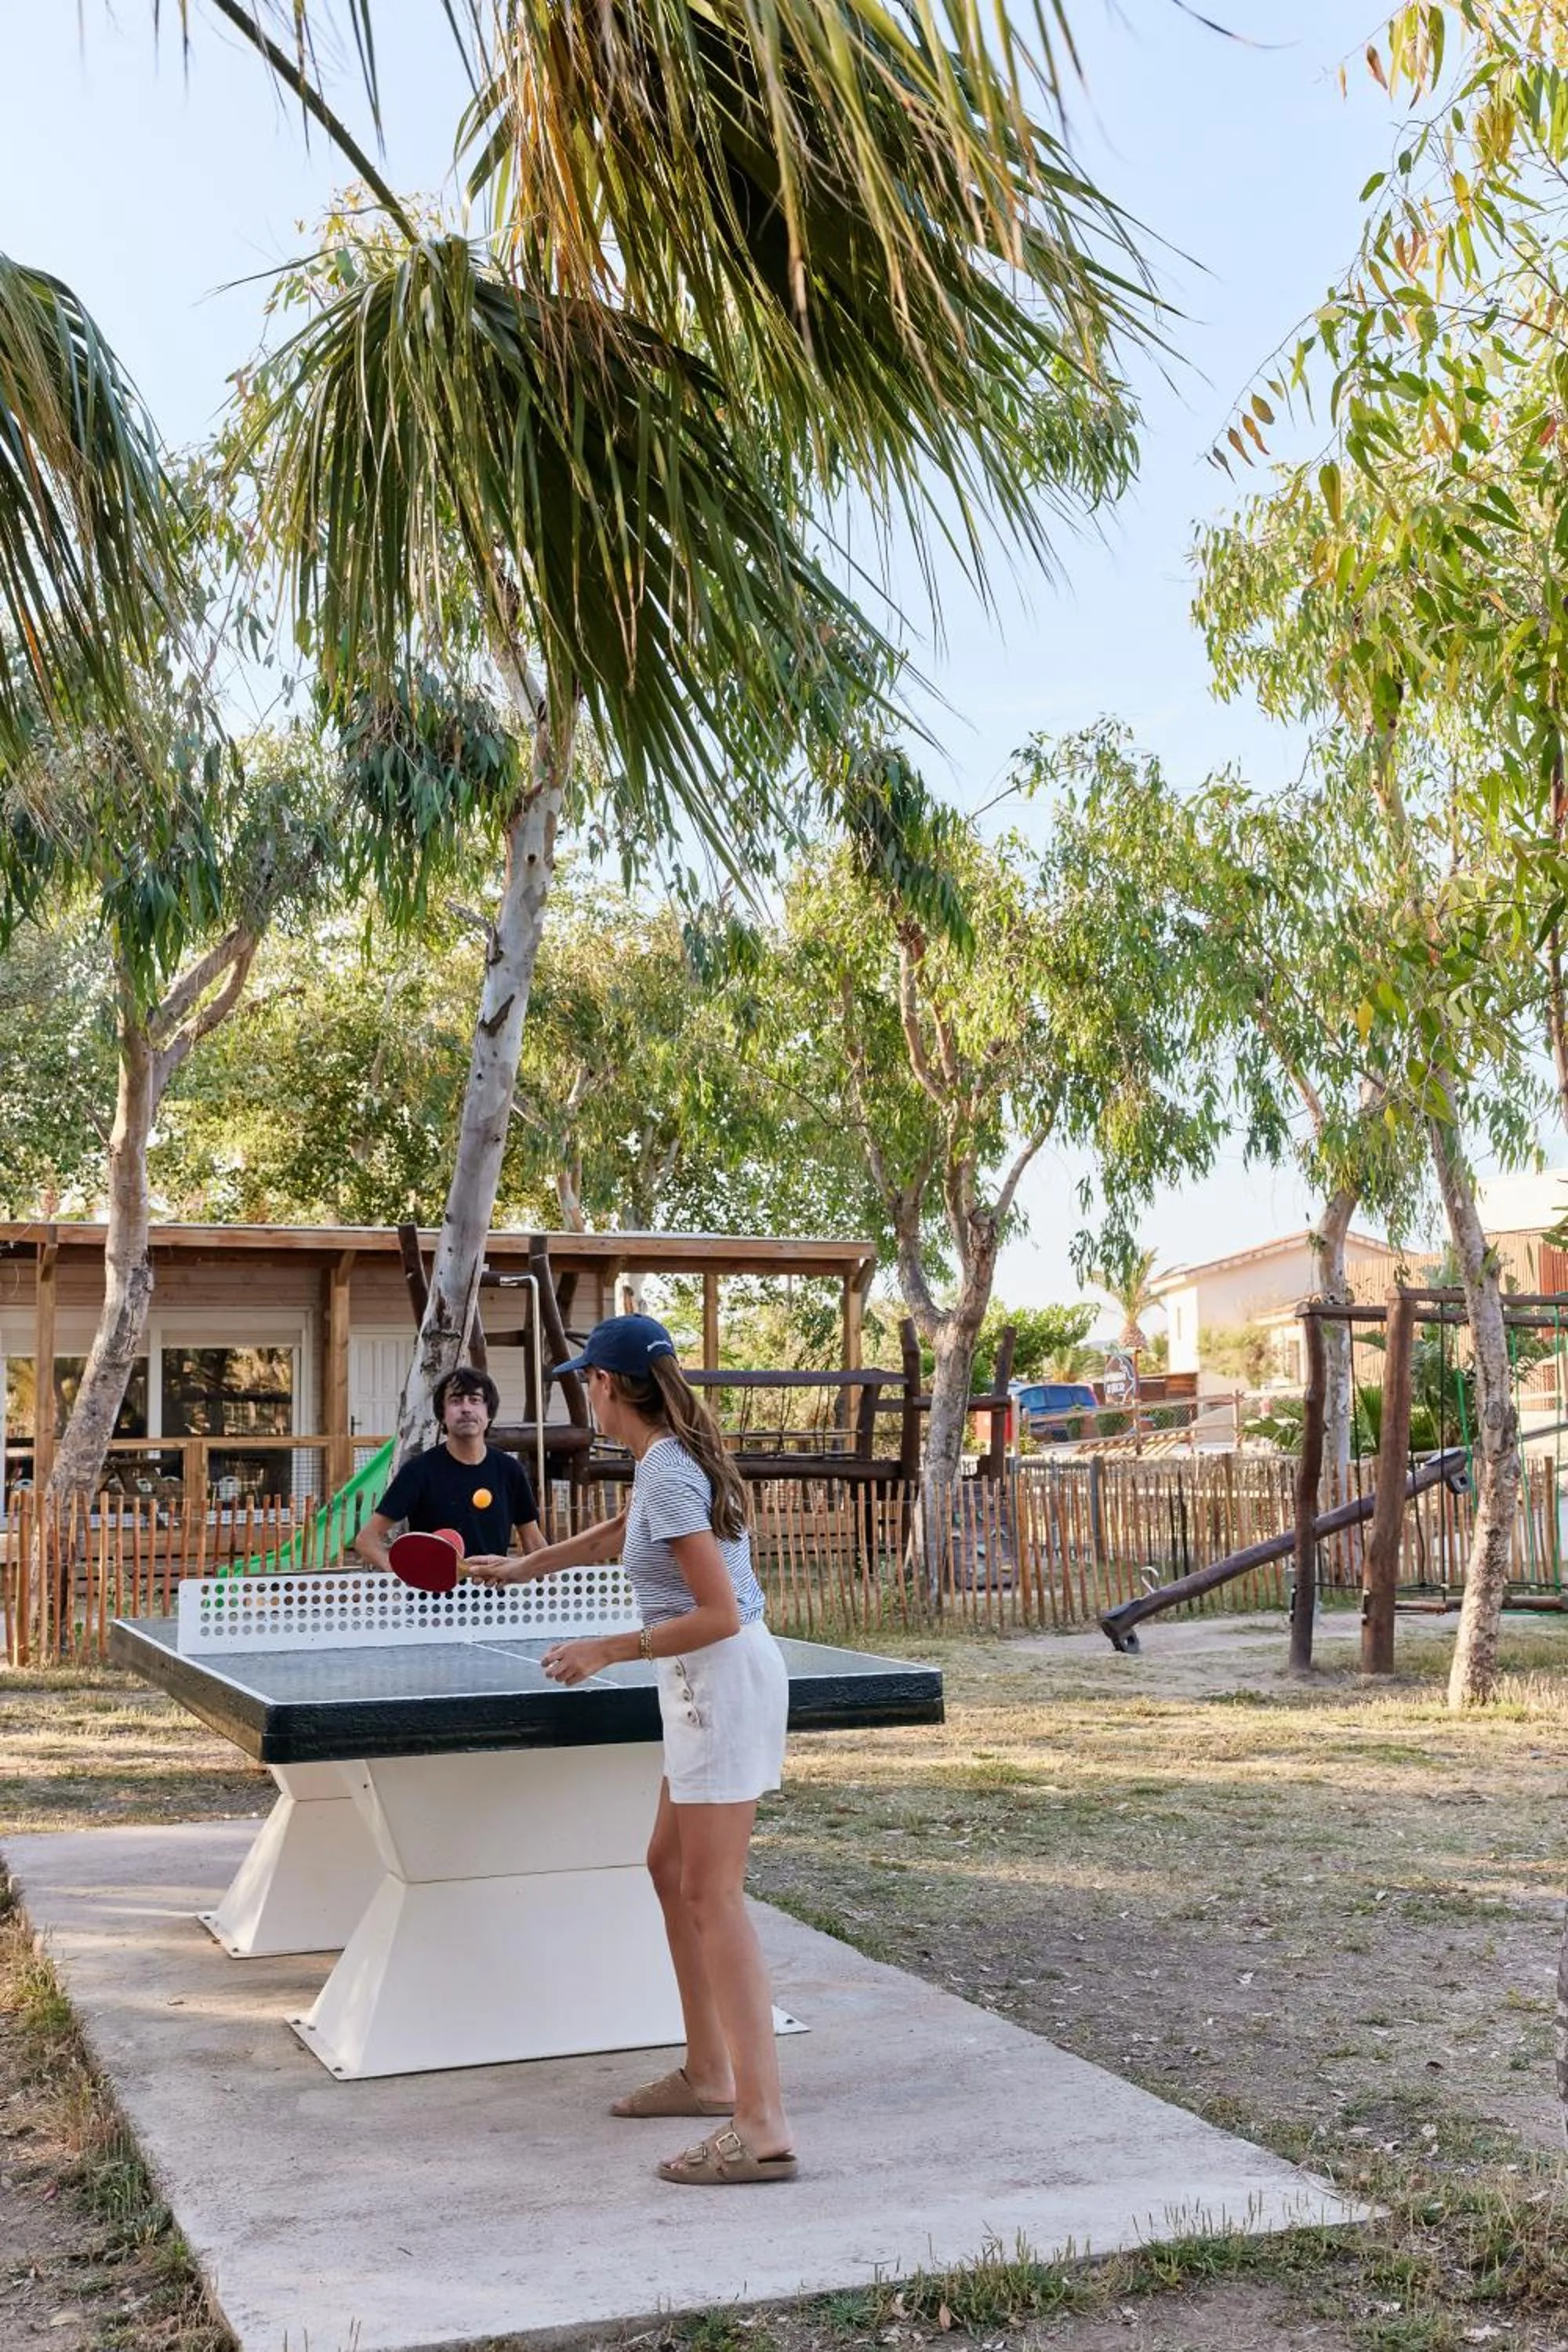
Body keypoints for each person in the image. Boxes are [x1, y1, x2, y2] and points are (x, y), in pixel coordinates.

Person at [468, 1312, 795, 2187]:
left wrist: (605, 1649)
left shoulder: (672, 1477)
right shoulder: (662, 1468)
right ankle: (706, 2073)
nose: (586, 1396)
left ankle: (759, 2123)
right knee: (667, 1868)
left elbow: (720, 1613)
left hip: (721, 1682)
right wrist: (521, 1568)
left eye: (587, 1383)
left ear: (605, 1387)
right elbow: (620, 1535)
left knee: (713, 1895)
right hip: (703, 1687)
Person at [352, 1365, 548, 1577]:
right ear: (442, 1415)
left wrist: (550, 1590)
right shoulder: (418, 1472)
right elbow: (367, 1540)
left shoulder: (510, 1470)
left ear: (489, 1413)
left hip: (493, 1600)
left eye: (475, 1400)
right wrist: (406, 1574)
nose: (466, 1408)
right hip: (431, 1603)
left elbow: (533, 1541)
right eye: (455, 1400)